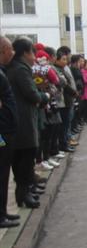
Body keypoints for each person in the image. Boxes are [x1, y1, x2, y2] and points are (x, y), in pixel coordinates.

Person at [5, 37, 49, 209]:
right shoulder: (20, 70)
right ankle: (23, 194)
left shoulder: (14, 68)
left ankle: (26, 191)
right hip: (22, 121)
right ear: (25, 53)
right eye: (33, 53)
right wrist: (44, 97)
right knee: (25, 157)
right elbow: (32, 94)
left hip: (18, 120)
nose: (34, 58)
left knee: (22, 158)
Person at [0, 36, 20, 228]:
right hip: (1, 133)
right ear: (3, 50)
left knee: (5, 172)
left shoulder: (2, 72)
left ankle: (3, 211)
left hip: (6, 129)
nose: (12, 53)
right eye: (10, 50)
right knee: (1, 171)